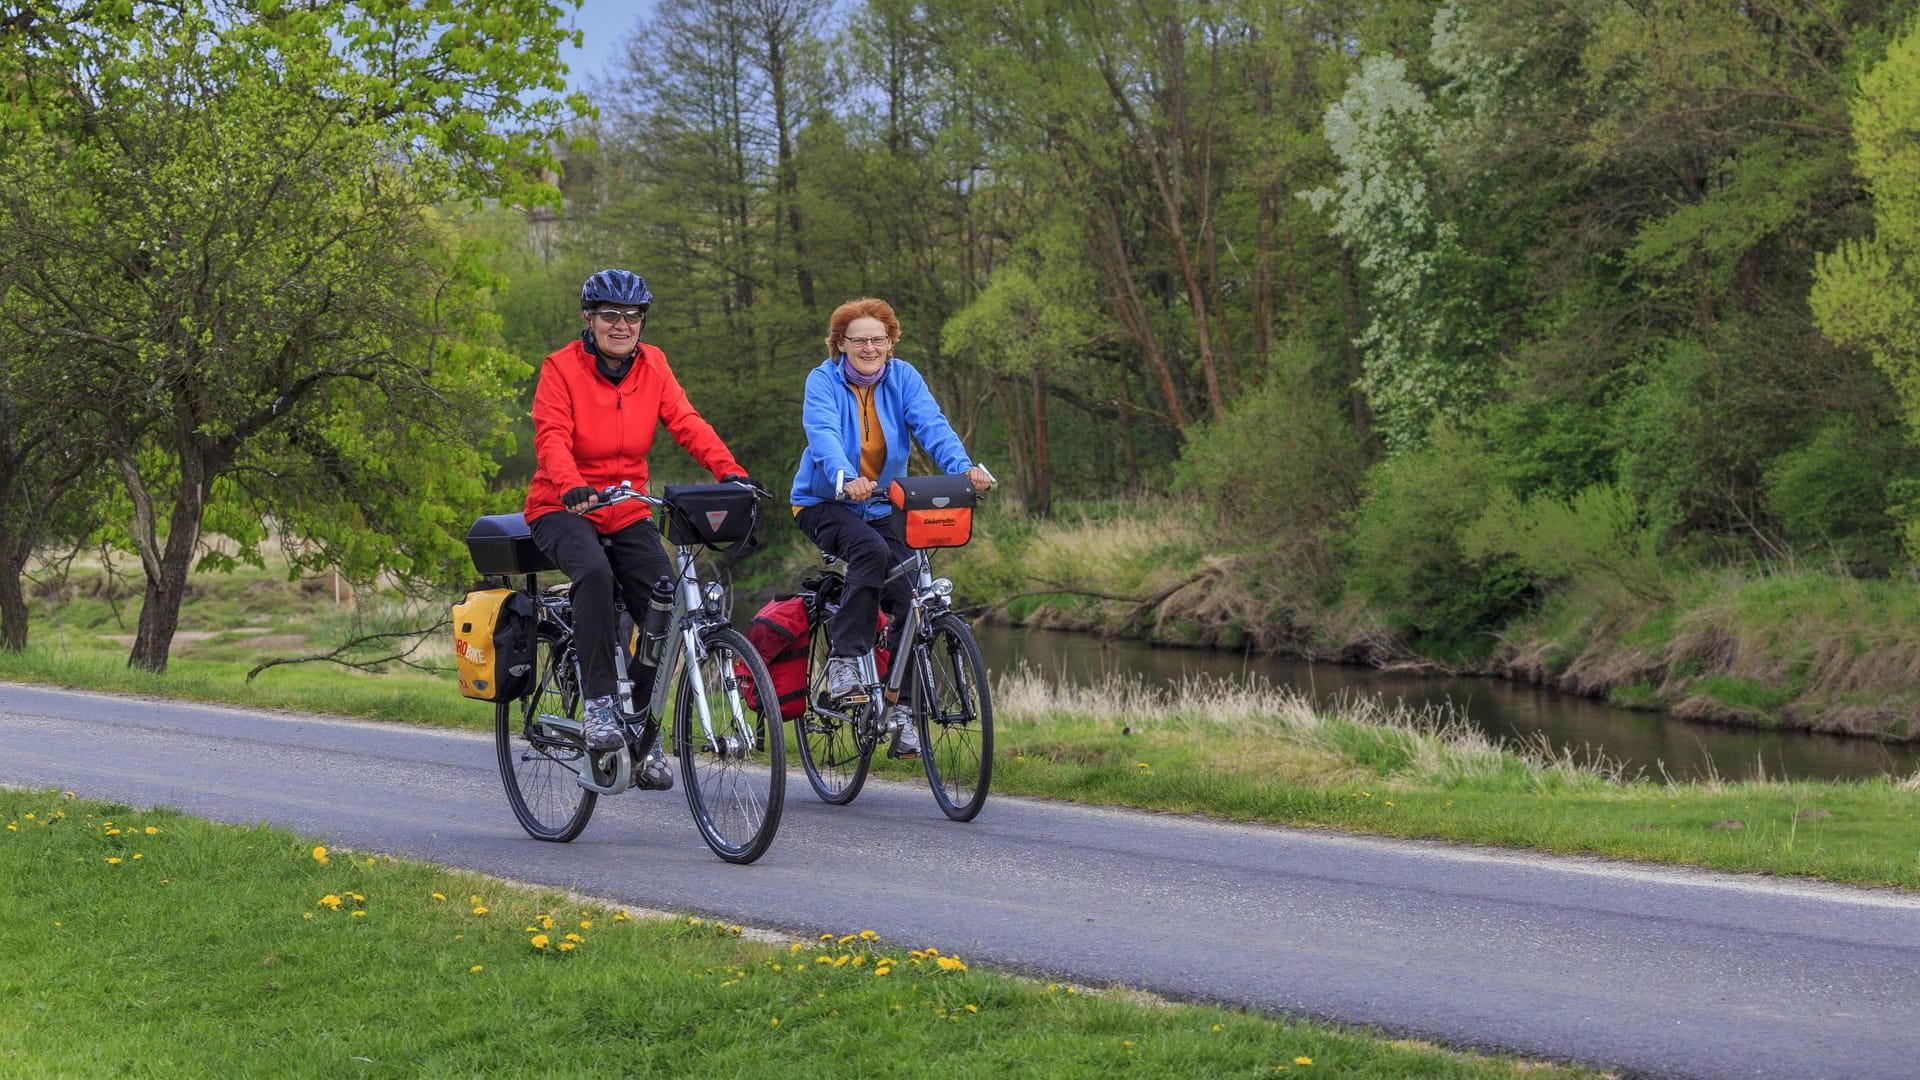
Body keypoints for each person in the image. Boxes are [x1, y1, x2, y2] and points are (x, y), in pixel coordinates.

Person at [524, 269, 754, 787]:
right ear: (590, 319)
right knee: (595, 575)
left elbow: (687, 422)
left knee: (665, 598)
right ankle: (601, 705)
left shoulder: (654, 366)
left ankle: (641, 727)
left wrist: (731, 472)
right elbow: (552, 437)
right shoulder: (560, 368)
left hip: (626, 507)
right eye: (610, 316)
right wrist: (570, 485)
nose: (622, 325)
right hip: (562, 507)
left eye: (632, 317)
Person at [789, 297, 991, 760]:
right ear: (840, 344)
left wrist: (965, 470)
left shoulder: (903, 378)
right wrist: (845, 479)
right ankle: (844, 661)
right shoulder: (823, 380)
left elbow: (933, 427)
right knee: (870, 553)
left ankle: (900, 711)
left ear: (890, 343)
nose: (869, 348)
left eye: (878, 340)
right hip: (823, 501)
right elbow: (822, 435)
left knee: (912, 598)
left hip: (882, 503)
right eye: (858, 340)